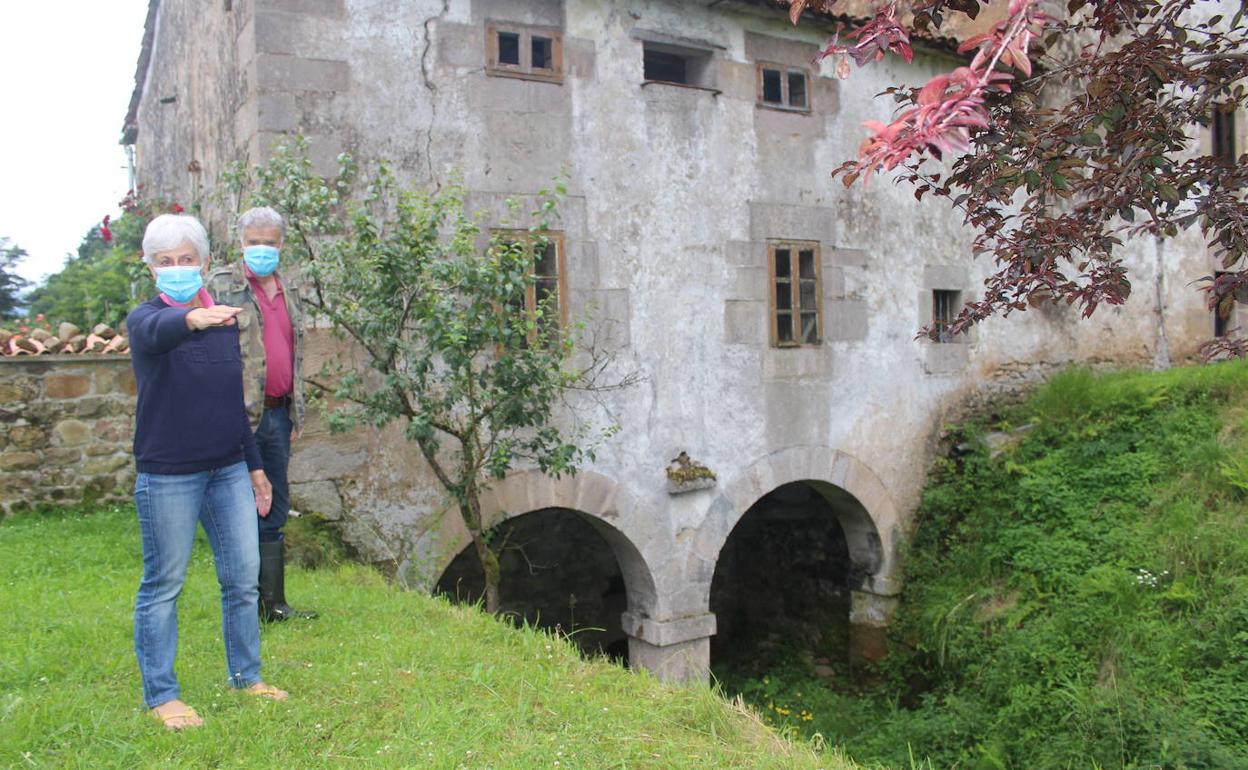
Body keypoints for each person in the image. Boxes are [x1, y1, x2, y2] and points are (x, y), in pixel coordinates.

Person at [127, 213, 289, 731]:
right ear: (150, 266)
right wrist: (191, 319)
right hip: (170, 474)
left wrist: (256, 469)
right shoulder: (146, 318)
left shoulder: (223, 321)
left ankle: (247, 676)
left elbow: (232, 405)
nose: (177, 268)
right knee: (164, 584)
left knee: (241, 580)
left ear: (202, 262)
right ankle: (163, 695)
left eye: (186, 259)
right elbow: (155, 333)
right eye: (166, 261)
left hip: (227, 471)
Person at [209, 206, 316, 622]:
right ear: (241, 243)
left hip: (278, 415)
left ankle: (273, 605)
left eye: (269, 243)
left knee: (274, 504)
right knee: (240, 505)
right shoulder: (221, 287)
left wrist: (295, 413)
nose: (261, 250)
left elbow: (297, 353)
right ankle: (244, 604)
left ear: (281, 245)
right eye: (254, 242)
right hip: (239, 418)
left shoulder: (291, 289)